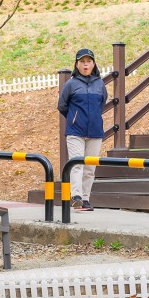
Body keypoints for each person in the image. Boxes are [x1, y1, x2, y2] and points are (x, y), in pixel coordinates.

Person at [57, 47, 107, 212]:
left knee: (90, 168)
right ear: (77, 65)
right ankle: (76, 196)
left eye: (88, 62)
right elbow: (62, 106)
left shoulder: (100, 84)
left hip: (95, 132)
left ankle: (85, 198)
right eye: (82, 62)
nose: (85, 65)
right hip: (75, 132)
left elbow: (102, 103)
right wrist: (75, 119)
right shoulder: (71, 84)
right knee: (77, 163)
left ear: (93, 64)